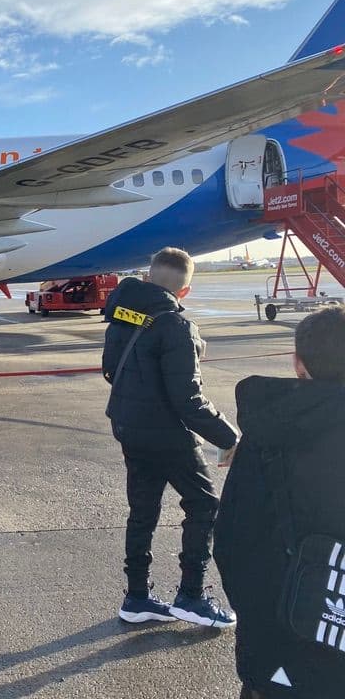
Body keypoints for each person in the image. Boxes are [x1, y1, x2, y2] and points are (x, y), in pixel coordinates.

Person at [102, 247, 238, 628]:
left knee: (142, 512)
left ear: (148, 278)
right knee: (204, 506)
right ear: (185, 291)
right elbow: (188, 400)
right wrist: (229, 438)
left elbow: (110, 370)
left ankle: (137, 597)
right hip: (165, 434)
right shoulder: (176, 327)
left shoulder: (123, 317)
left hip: (129, 427)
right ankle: (191, 597)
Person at [214, 306, 345, 697]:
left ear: (297, 363)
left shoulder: (268, 434)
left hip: (283, 637)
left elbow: (233, 542)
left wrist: (262, 621)